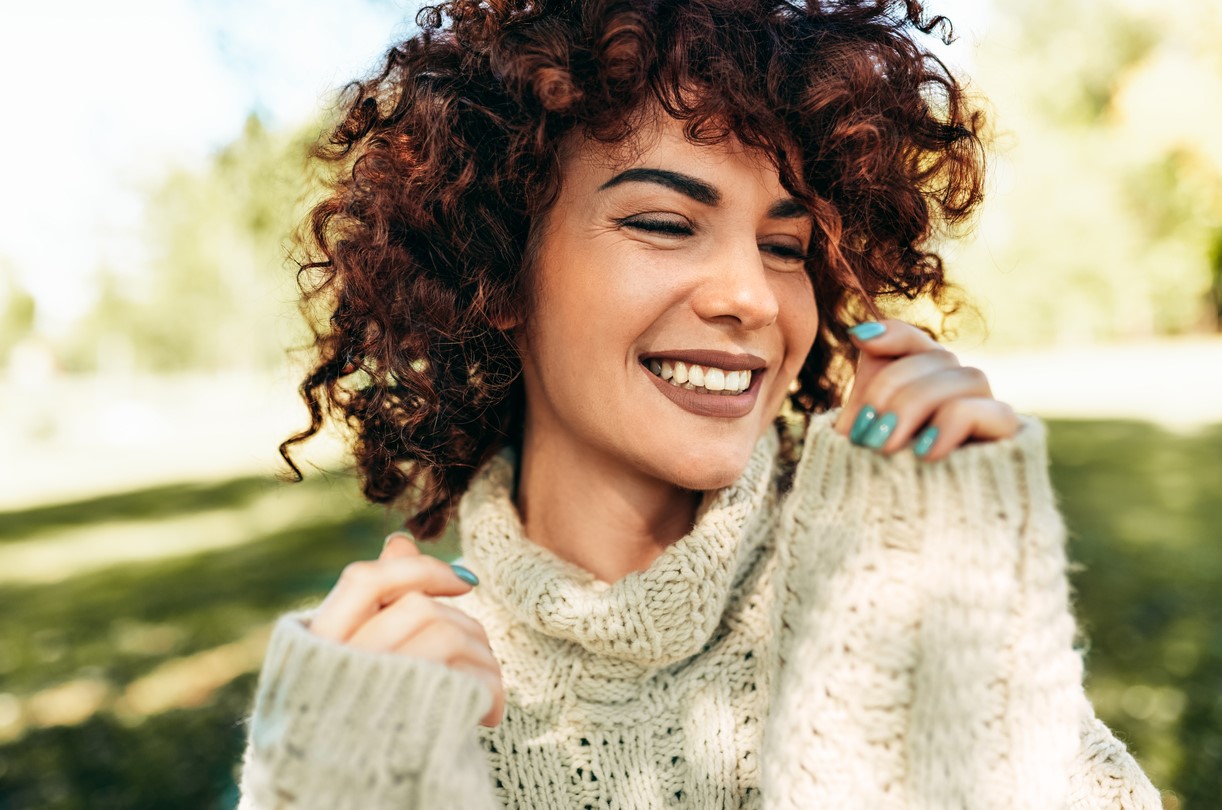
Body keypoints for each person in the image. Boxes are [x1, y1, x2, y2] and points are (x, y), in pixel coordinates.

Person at [238, 0, 1160, 807]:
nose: (752, 297)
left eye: (787, 246)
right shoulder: (388, 692)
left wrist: (969, 625)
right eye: (666, 224)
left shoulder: (886, 569)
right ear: (498, 272)